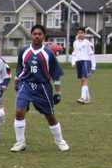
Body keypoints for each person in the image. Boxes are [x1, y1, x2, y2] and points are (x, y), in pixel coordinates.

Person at [11, 24, 69, 152]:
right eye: (34, 34)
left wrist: (58, 92)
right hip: (25, 84)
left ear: (43, 36)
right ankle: (20, 142)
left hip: (42, 87)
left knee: (50, 116)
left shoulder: (49, 53)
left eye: (39, 34)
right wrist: (16, 81)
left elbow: (56, 74)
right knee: (19, 112)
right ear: (31, 35)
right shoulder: (24, 51)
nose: (37, 36)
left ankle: (60, 141)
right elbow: (20, 68)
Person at [71, 28, 96, 104]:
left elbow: (91, 54)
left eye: (82, 32)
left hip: (86, 61)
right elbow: (74, 53)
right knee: (82, 80)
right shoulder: (75, 43)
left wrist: (93, 66)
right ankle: (88, 98)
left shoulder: (87, 43)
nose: (80, 34)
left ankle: (82, 98)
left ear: (84, 34)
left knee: (84, 79)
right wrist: (73, 62)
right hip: (79, 62)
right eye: (79, 33)